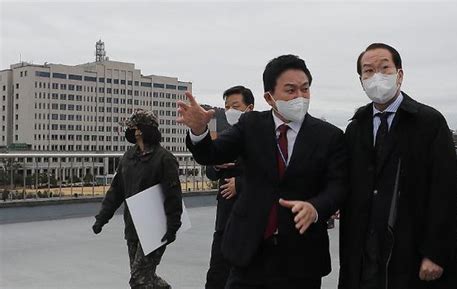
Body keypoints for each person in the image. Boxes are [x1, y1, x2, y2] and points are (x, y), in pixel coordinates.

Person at [177, 54, 347, 289]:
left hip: (302, 256)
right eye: (290, 90)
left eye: (305, 89)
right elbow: (212, 154)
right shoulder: (251, 126)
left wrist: (316, 208)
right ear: (269, 97)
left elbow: (338, 185)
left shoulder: (329, 136)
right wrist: (199, 131)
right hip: (249, 249)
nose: (299, 97)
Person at [339, 43, 457, 289]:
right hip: (367, 248)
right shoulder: (356, 128)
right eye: (368, 71)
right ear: (361, 79)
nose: (376, 76)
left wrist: (435, 252)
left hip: (413, 246)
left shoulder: (429, 123)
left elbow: (446, 192)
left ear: (400, 74)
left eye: (384, 68)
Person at [92, 109, 183, 289]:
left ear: (142, 130)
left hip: (156, 228)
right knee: (144, 276)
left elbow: (173, 195)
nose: (133, 131)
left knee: (139, 279)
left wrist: (173, 225)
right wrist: (102, 218)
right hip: (133, 226)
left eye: (135, 127)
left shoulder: (165, 159)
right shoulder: (128, 157)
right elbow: (116, 190)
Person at [205, 85, 254, 289]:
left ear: (249, 108)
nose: (230, 110)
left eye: (236, 105)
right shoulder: (226, 135)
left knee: (246, 271)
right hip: (225, 215)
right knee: (218, 270)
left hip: (250, 216)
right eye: (227, 107)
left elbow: (271, 175)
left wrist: (240, 184)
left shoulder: (263, 137)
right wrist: (216, 165)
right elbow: (210, 171)